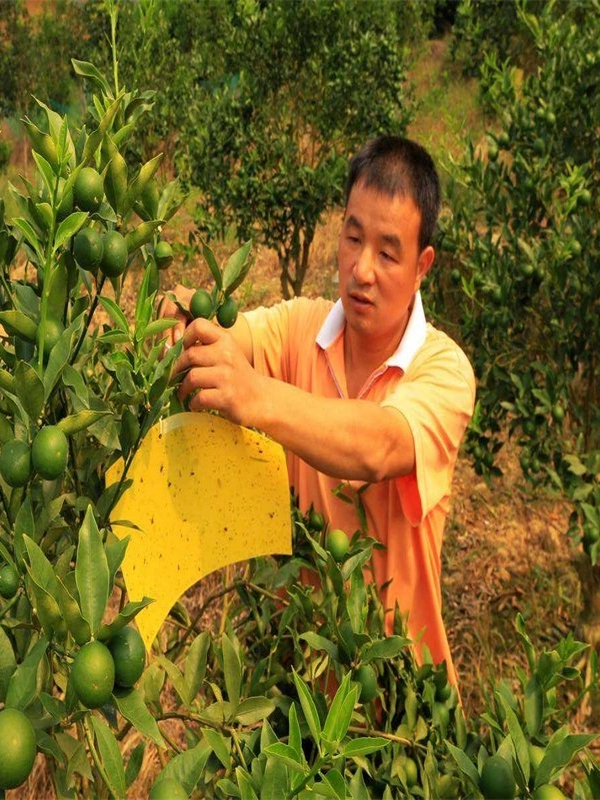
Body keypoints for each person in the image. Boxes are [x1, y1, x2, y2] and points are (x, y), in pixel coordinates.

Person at [163, 135, 475, 685]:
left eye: (387, 251)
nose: (362, 270)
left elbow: (378, 444)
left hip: (402, 706)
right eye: (352, 238)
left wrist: (253, 395)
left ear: (423, 264)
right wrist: (179, 321)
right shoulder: (300, 328)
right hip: (298, 686)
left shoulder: (444, 372)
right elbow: (231, 338)